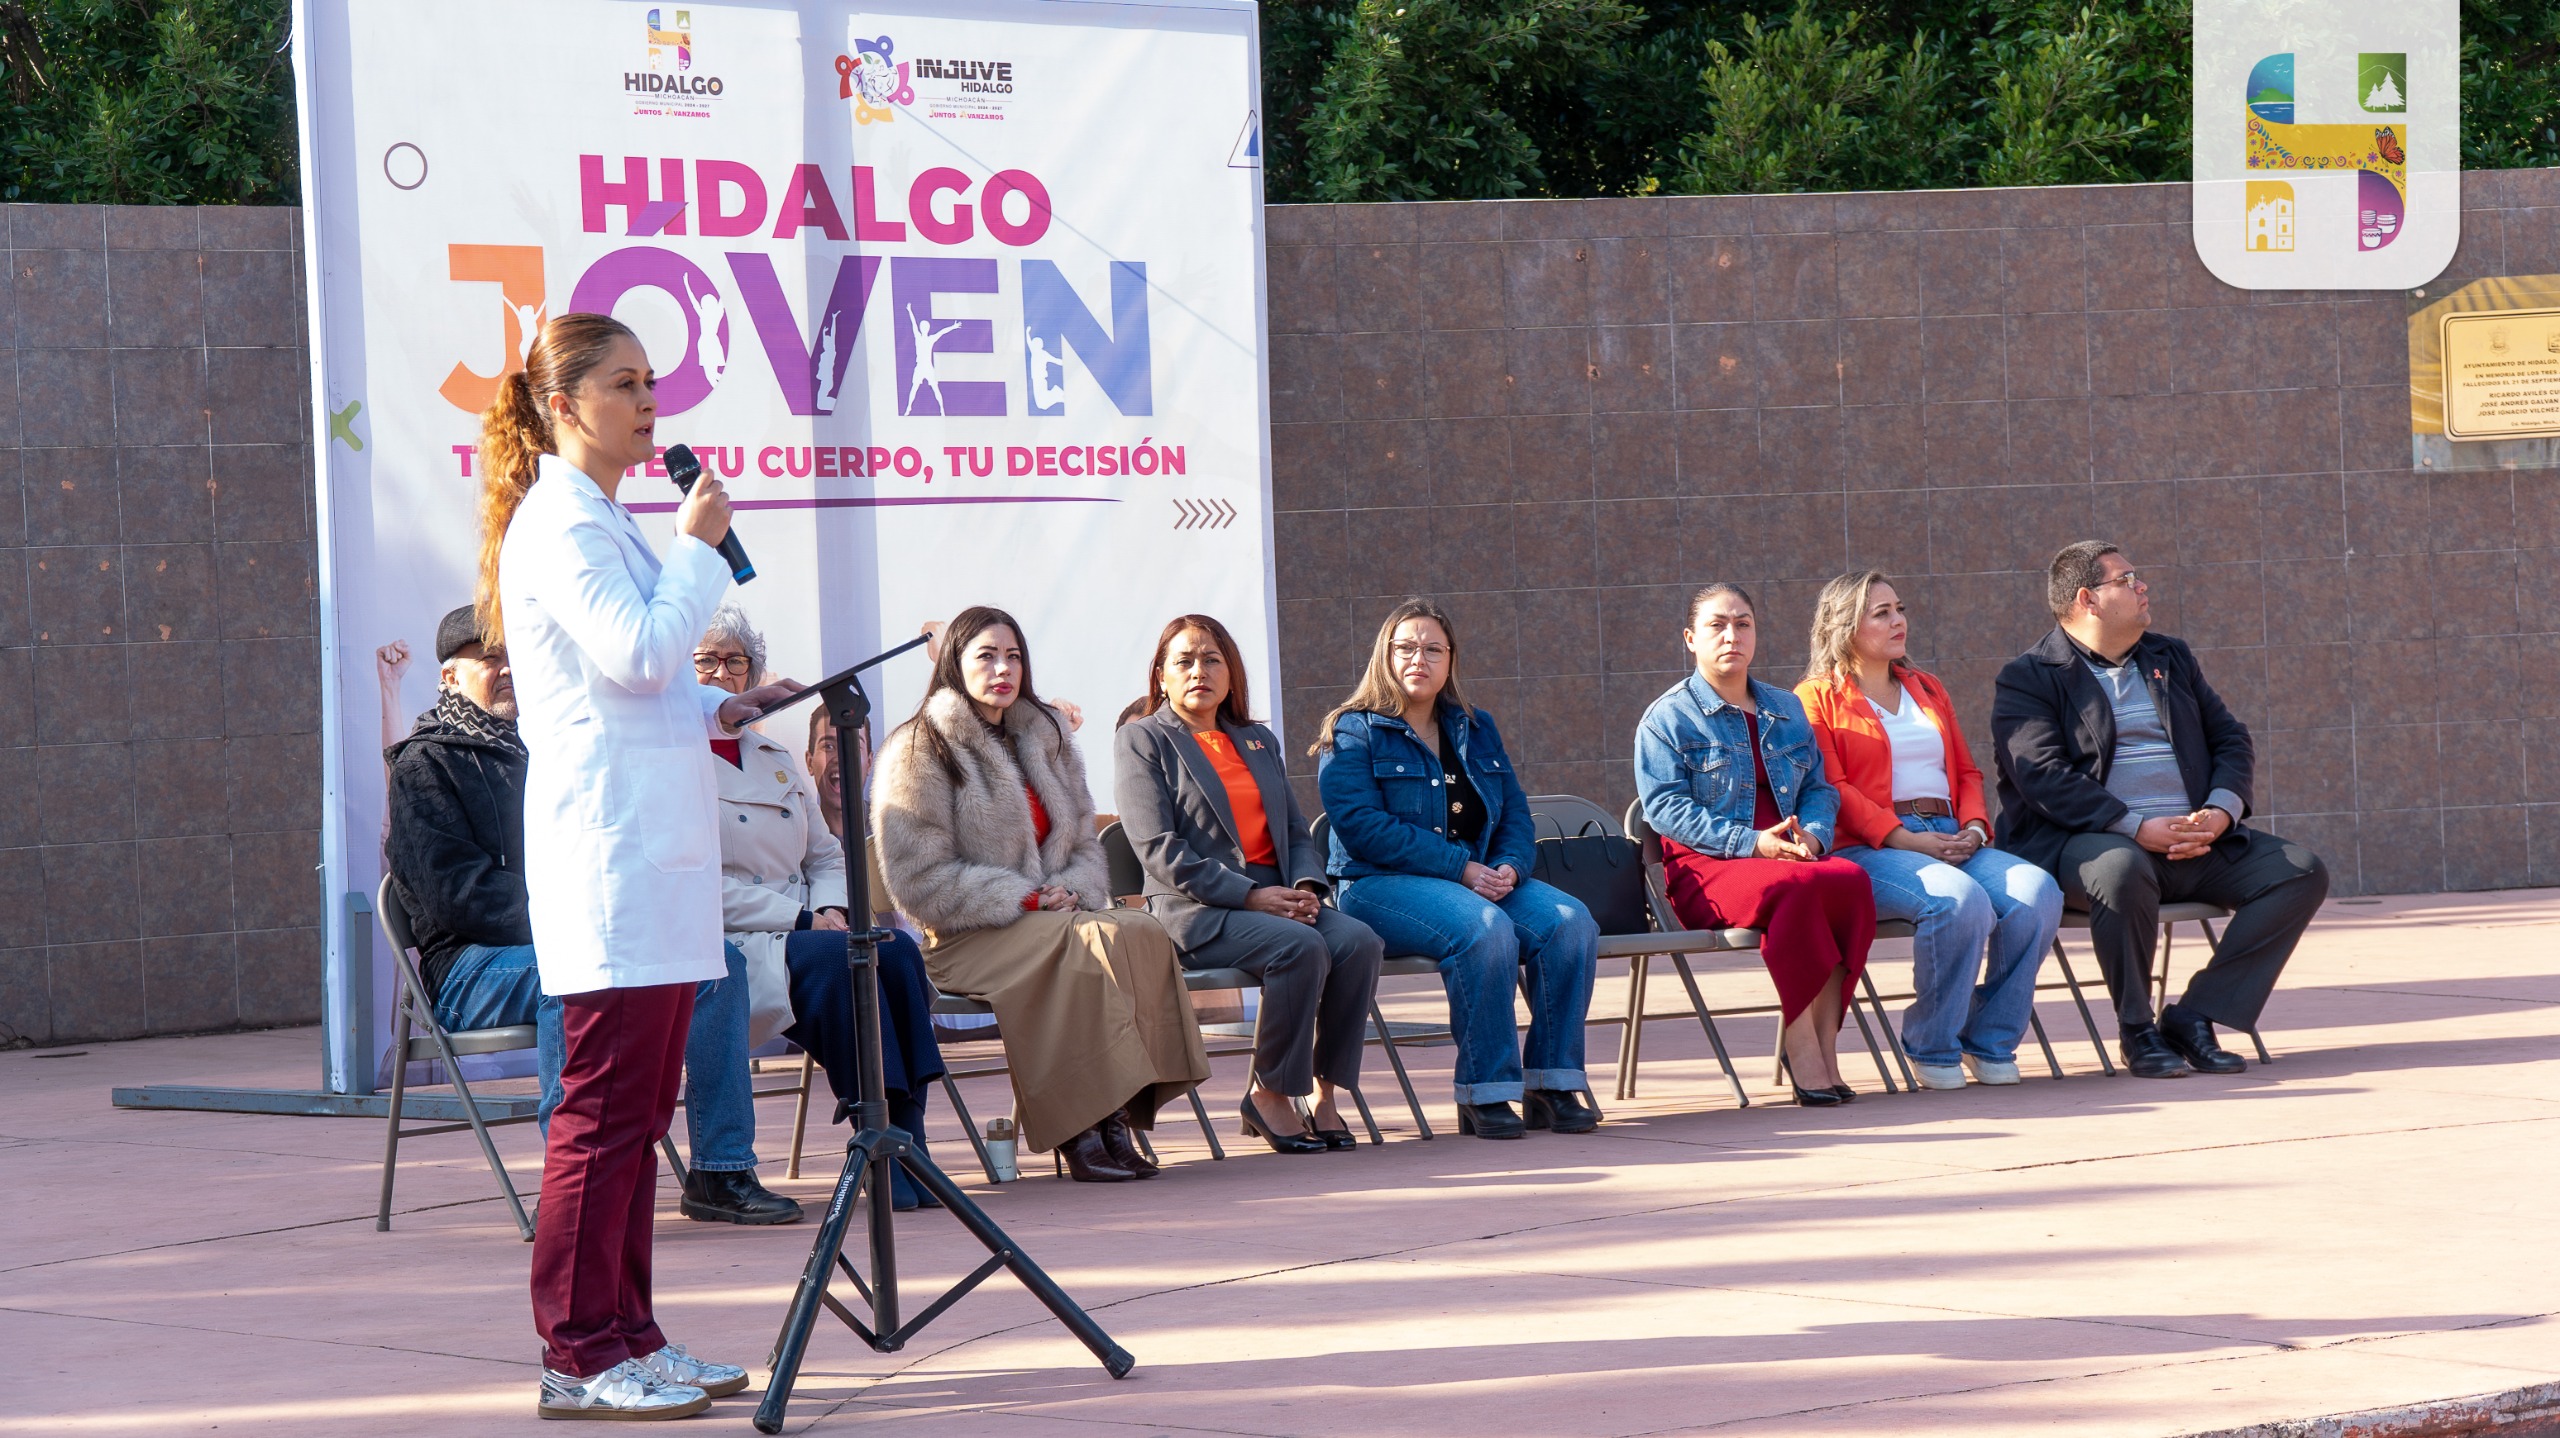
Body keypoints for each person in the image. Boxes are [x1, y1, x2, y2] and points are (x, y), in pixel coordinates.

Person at [482, 311, 795, 1419]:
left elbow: (648, 680)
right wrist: (700, 549)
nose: (647, 401)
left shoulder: (605, 518)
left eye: (651, 381)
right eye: (621, 384)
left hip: (660, 859)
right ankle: (574, 1351)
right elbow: (636, 648)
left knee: (644, 1107)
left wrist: (729, 702)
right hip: (609, 861)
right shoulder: (560, 523)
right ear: (563, 407)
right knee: (602, 1112)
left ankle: (632, 1334)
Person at [387, 606, 795, 1229]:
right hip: (470, 969)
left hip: (572, 936)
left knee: (715, 963)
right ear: (448, 677)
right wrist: (577, 917)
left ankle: (721, 1171)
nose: (506, 670)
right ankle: (573, 1189)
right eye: (487, 658)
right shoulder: (424, 765)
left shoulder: (554, 743)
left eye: (513, 654)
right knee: (575, 973)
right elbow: (457, 898)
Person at [871, 606, 1211, 1182]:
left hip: (1054, 917)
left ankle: (1116, 1114)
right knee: (1086, 944)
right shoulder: (917, 746)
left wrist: (1068, 889)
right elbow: (918, 879)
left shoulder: (1044, 736)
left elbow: (1082, 839)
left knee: (1141, 931)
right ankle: (1078, 1126)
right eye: (986, 655)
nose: (1003, 669)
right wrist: (1024, 897)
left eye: (1014, 656)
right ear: (954, 662)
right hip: (968, 934)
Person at [1991, 542, 2329, 1079]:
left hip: (2192, 839)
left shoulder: (2168, 657)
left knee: (2298, 872)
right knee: (2120, 869)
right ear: (2088, 599)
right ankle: (2137, 1030)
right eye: (2127, 579)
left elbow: (2230, 739)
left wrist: (2220, 812)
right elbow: (2042, 775)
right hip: (2089, 842)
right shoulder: (2030, 676)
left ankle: (2195, 1016)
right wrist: (2134, 827)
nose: (2143, 586)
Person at [1315, 598, 1601, 1140]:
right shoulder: (1353, 730)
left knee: (1570, 922)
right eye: (1405, 648)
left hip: (1480, 877)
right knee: (1484, 929)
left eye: (1432, 649)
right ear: (1385, 655)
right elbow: (1359, 826)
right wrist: (1461, 868)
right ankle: (1485, 1092)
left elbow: (1515, 810)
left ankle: (1553, 1083)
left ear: (1450, 660)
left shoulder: (1475, 726)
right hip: (1377, 885)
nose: (1417, 658)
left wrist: (1509, 867)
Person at [696, 605, 948, 1210]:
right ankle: (876, 1140)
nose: (722, 675)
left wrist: (831, 908)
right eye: (706, 661)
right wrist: (807, 920)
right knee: (842, 963)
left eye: (737, 663)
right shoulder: (669, 761)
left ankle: (908, 1136)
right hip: (730, 942)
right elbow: (695, 883)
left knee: (897, 953)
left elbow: (826, 857)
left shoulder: (774, 759)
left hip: (806, 928)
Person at [1114, 615, 1385, 1153]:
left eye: (1212, 659)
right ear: (1161, 677)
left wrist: (1306, 886)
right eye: (1184, 661)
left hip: (1277, 898)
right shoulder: (1143, 739)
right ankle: (1269, 1095)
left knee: (1359, 941)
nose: (1199, 671)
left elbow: (1292, 828)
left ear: (1232, 673)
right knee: (1300, 947)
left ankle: (1326, 1094)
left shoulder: (1256, 739)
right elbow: (1158, 850)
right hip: (1196, 907)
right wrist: (1251, 896)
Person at [1795, 572, 2063, 1091]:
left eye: (1900, 608)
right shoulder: (1814, 697)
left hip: (1949, 830)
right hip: (1868, 846)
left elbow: (1965, 771)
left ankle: (1989, 1041)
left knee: (2037, 891)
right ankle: (1932, 1043)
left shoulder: (1927, 687)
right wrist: (1901, 837)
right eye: (1882, 613)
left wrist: (1975, 828)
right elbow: (1833, 786)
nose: (1900, 621)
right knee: (1957, 900)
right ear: (1844, 626)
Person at [1635, 584, 1876, 1107]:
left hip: (1794, 853)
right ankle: (1802, 1045)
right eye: (1717, 625)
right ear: (1690, 639)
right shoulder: (1668, 718)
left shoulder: (1784, 708)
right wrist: (1752, 843)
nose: (1732, 635)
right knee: (1800, 889)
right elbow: (1666, 810)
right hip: (1711, 864)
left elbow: (1818, 788)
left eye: (1743, 623)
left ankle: (1824, 1043)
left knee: (1850, 880)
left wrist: (1813, 833)